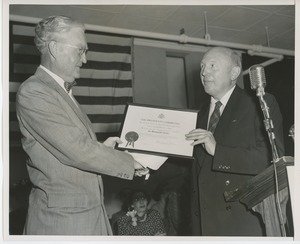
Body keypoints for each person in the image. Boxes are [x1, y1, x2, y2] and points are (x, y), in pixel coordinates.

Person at [16, 15, 149, 235]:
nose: (85, 59)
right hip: (63, 222)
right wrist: (129, 162)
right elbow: (76, 150)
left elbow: (71, 147)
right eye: (80, 50)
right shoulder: (35, 91)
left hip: (87, 215)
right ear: (55, 48)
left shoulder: (61, 92)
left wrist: (103, 149)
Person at [185, 46, 284, 236]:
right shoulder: (197, 117)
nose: (204, 72)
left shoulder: (260, 104)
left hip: (241, 222)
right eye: (203, 66)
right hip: (204, 225)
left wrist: (218, 151)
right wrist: (147, 162)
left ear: (234, 72)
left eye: (213, 66)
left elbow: (270, 160)